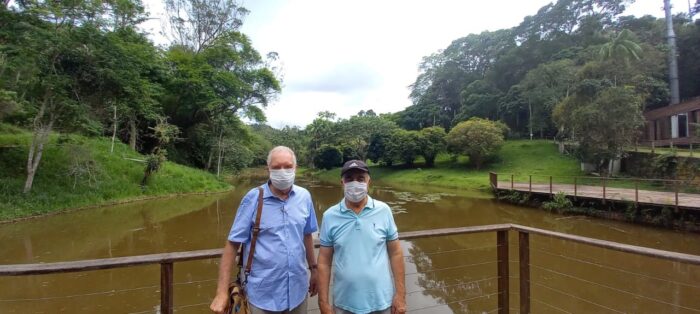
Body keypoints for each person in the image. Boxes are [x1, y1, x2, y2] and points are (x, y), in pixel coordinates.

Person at [210, 146, 319, 314]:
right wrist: (221, 293)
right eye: (276, 167)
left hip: (298, 290)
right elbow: (232, 245)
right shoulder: (253, 198)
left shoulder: (304, 196)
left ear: (295, 168)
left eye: (288, 166)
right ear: (268, 169)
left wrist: (314, 270)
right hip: (262, 295)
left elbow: (307, 235)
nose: (282, 171)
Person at [317, 160, 406, 314]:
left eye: (360, 178)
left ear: (368, 181)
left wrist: (401, 295)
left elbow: (396, 253)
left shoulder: (383, 210)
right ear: (342, 182)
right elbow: (324, 261)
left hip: (382, 303)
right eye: (349, 179)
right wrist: (323, 303)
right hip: (344, 304)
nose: (355, 183)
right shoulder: (330, 216)